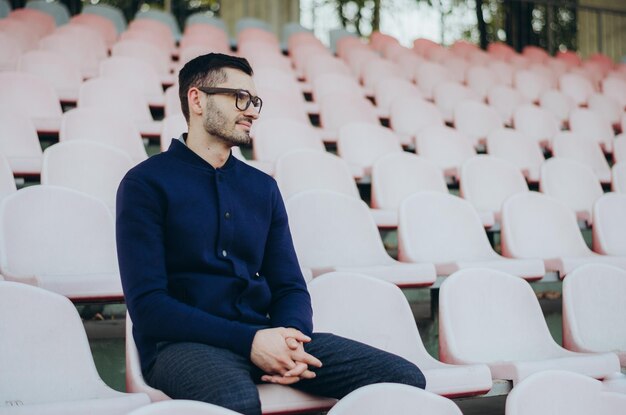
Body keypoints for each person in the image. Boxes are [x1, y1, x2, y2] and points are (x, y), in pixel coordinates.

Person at [116, 53, 426, 415]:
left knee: (403, 379)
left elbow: (290, 286)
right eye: (240, 98)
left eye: (255, 101)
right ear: (196, 99)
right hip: (182, 345)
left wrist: (289, 338)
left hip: (266, 335)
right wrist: (250, 342)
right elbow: (150, 307)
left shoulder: (262, 187)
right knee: (236, 402)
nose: (252, 111)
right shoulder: (145, 184)